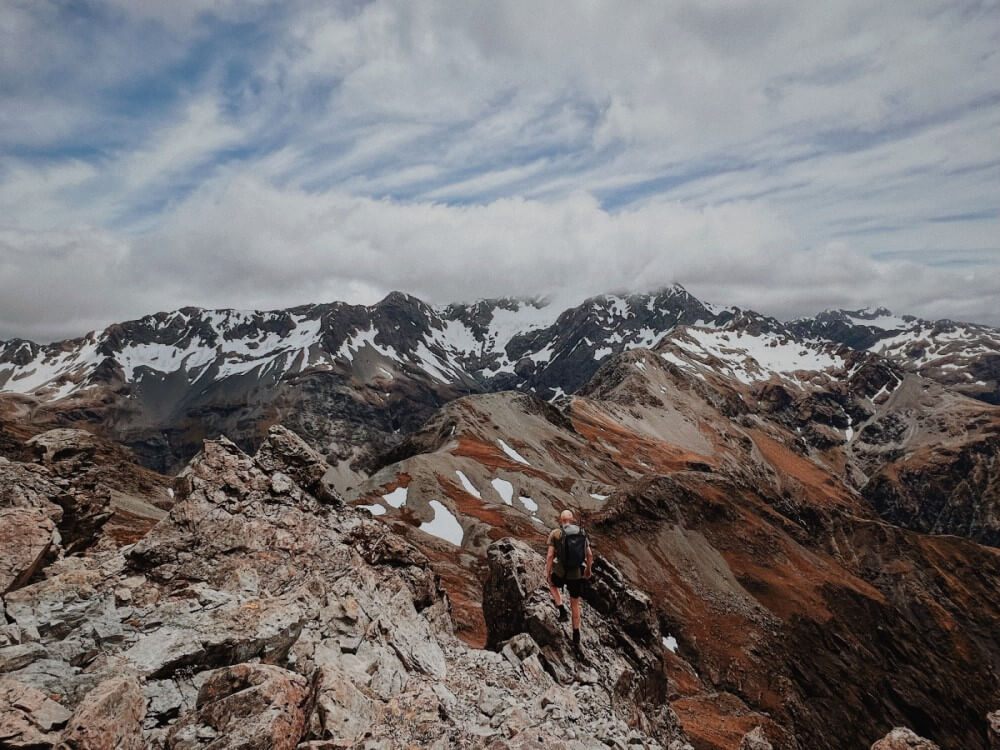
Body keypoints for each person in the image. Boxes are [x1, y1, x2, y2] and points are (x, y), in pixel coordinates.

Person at [546, 509, 593, 650]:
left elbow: (549, 556)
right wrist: (588, 569)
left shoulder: (555, 533)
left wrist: (547, 573)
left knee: (552, 584)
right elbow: (589, 555)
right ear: (572, 519)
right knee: (575, 603)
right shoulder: (582, 533)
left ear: (561, 520)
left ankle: (561, 608)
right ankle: (576, 636)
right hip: (576, 574)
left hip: (560, 572)